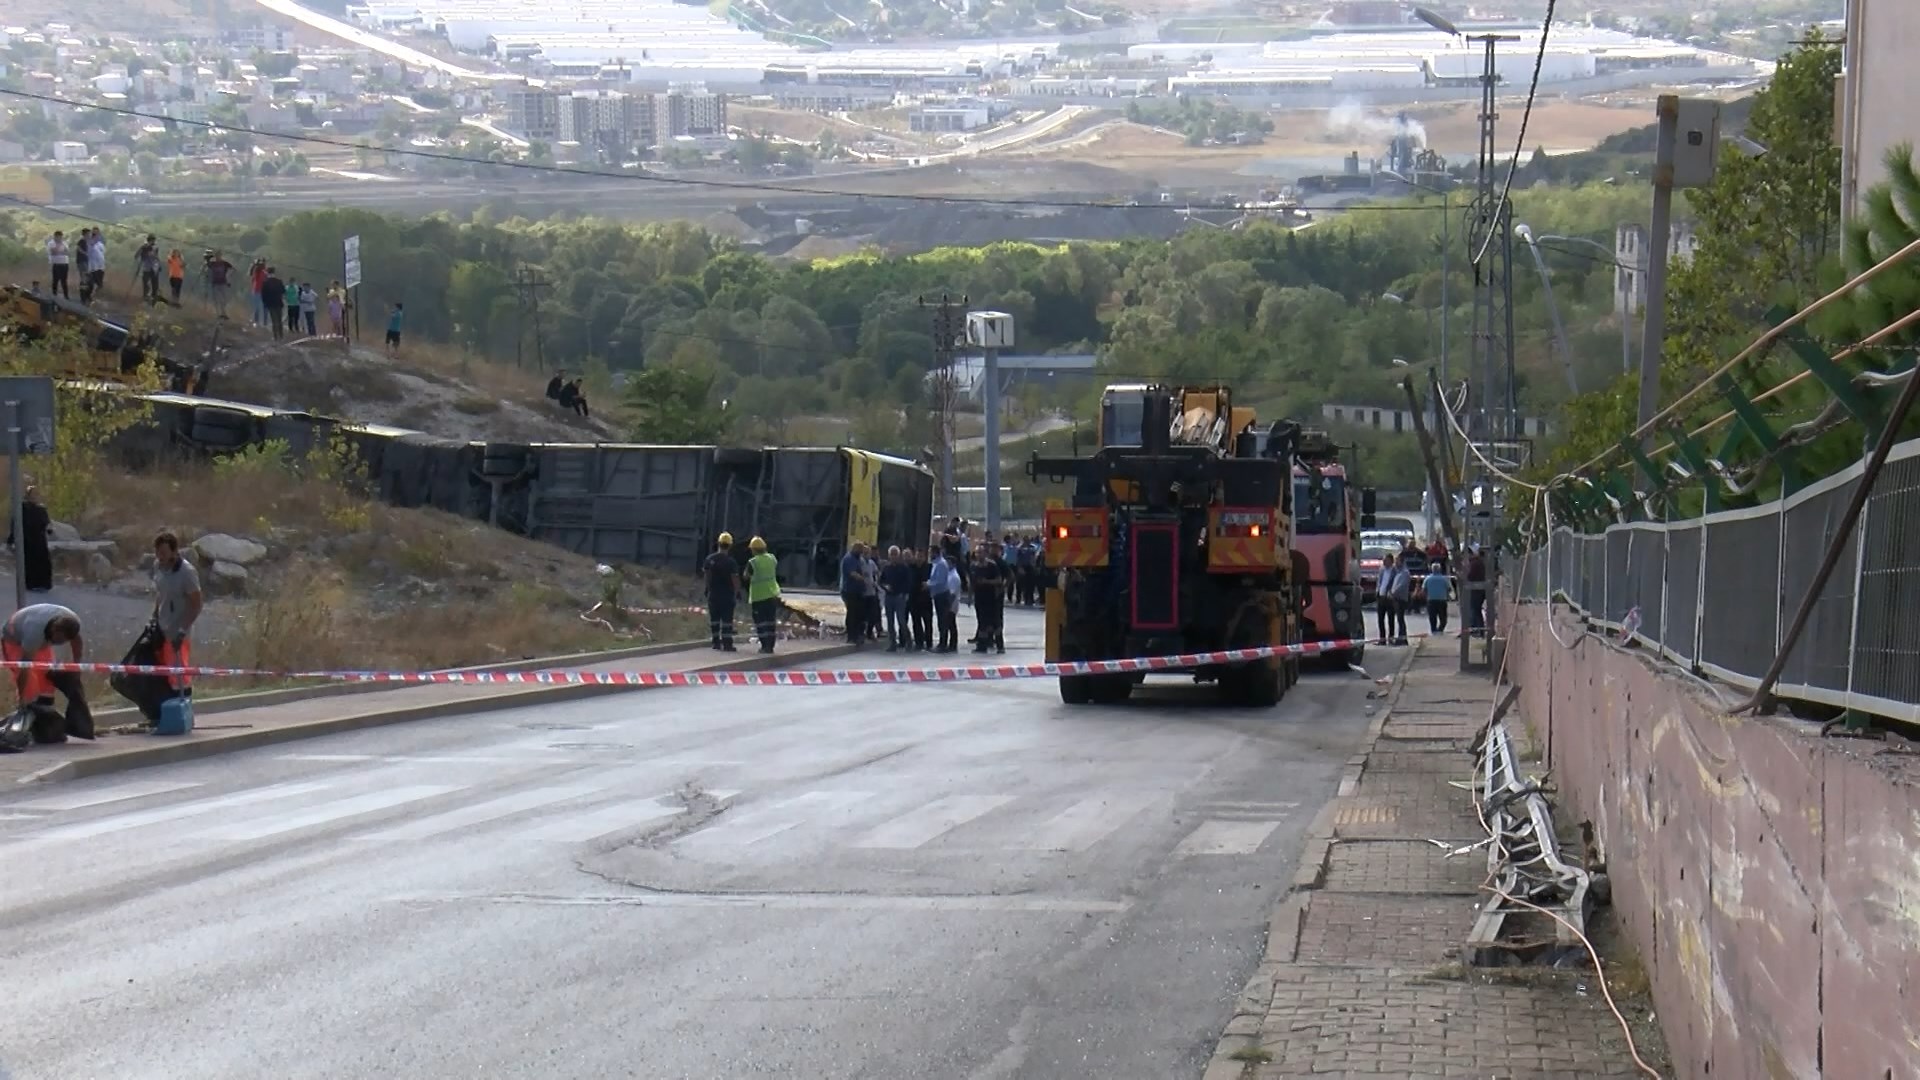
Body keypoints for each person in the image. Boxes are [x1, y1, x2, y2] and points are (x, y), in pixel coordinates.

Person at [1, 603, 91, 744]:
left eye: (63, 641)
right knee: (30, 685)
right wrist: (22, 699)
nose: (60, 643)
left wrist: (76, 666)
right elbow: (24, 668)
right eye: (58, 640)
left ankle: (45, 729)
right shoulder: (34, 633)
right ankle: (24, 722)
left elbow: (77, 642)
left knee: (46, 682)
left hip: (42, 640)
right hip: (15, 639)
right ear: (54, 630)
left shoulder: (73, 623)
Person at [152, 531, 203, 697]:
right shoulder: (158, 567)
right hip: (162, 628)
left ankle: (183, 707)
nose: (160, 557)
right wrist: (154, 617)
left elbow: (196, 604)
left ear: (174, 552)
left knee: (180, 675)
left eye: (164, 553)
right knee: (163, 674)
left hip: (178, 632)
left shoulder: (187, 572)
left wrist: (182, 631)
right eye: (158, 553)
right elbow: (160, 594)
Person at [5, 484, 53, 593]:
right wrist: (10, 541)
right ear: (28, 495)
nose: (35, 496)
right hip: (27, 542)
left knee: (43, 563)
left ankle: (44, 584)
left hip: (40, 542)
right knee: (30, 563)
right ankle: (32, 584)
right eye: (33, 494)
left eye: (37, 494)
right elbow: (15, 525)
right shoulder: (22, 509)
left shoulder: (41, 510)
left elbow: (47, 525)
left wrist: (49, 530)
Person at [741, 536, 781, 654]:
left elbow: (746, 576)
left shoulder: (752, 562)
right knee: (770, 622)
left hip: (759, 597)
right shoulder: (772, 558)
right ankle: (771, 645)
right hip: (772, 594)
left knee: (761, 622)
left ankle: (765, 646)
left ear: (754, 549)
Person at [702, 532, 740, 651]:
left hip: (713, 594)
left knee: (714, 620)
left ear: (718, 543)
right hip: (727, 595)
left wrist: (707, 589)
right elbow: (734, 579)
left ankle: (715, 643)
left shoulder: (710, 559)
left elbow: (707, 576)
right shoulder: (731, 562)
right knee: (727, 621)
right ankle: (727, 644)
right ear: (729, 546)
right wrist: (737, 592)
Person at [970, 545, 1006, 654]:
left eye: (980, 553)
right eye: (977, 553)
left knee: (995, 623)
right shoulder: (973, 566)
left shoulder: (992, 565)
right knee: (982, 622)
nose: (978, 555)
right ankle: (982, 645)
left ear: (985, 553)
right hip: (979, 598)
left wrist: (986, 581)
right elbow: (972, 582)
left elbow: (999, 580)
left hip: (991, 598)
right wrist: (970, 595)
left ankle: (1000, 645)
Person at [881, 545, 914, 652]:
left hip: (899, 597)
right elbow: (881, 581)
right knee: (890, 622)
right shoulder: (886, 567)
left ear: (898, 555)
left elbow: (908, 582)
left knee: (901, 621)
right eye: (892, 554)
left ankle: (908, 640)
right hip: (889, 597)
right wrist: (885, 586)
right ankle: (892, 643)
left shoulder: (904, 568)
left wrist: (904, 594)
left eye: (895, 554)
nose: (894, 556)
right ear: (889, 555)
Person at [839, 541, 868, 647]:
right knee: (852, 613)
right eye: (860, 549)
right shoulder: (849, 559)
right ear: (855, 548)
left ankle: (858, 635)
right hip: (850, 590)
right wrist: (863, 579)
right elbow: (852, 573)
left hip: (858, 591)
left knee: (859, 615)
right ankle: (851, 636)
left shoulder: (859, 559)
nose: (861, 551)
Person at [929, 547, 957, 653]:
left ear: (935, 553)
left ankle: (943, 644)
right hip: (938, 595)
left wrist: (928, 585)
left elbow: (939, 581)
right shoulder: (936, 563)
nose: (930, 554)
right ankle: (942, 643)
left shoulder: (941, 564)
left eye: (931, 552)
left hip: (942, 595)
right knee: (941, 620)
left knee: (943, 621)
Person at [1383, 550, 1412, 645]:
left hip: (1400, 598)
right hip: (1396, 598)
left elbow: (1401, 586)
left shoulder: (1405, 573)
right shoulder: (1398, 572)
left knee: (1400, 619)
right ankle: (1400, 637)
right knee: (1399, 619)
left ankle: (1402, 638)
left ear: (1402, 561)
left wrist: (1393, 593)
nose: (1396, 563)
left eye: (1397, 561)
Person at [909, 547, 934, 652]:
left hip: (925, 599)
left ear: (924, 557)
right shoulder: (911, 567)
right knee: (916, 621)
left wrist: (928, 585)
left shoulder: (929, 567)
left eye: (921, 556)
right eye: (917, 556)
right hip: (913, 598)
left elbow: (933, 580)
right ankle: (919, 642)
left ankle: (929, 642)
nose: (919, 558)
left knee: (928, 621)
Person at [1375, 553, 1399, 646]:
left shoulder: (1394, 570)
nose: (1384, 562)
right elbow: (1379, 581)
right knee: (1380, 619)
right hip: (1381, 595)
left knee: (1391, 618)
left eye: (1386, 560)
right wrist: (1377, 590)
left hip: (1389, 597)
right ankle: (1382, 638)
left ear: (1391, 561)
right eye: (1383, 560)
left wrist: (1392, 592)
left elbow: (1395, 582)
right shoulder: (1381, 570)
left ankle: (1391, 637)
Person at [1422, 562, 1452, 634]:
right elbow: (1449, 589)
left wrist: (1427, 596)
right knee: (1443, 618)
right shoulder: (1444, 579)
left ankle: (1434, 630)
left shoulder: (1428, 579)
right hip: (1442, 600)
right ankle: (1440, 629)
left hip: (1431, 601)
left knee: (1432, 618)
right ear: (1440, 569)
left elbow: (1424, 589)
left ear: (1432, 569)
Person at [206, 250, 235, 319]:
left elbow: (233, 269)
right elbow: (207, 267)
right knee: (216, 299)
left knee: (224, 300)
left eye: (219, 256)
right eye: (217, 256)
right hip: (215, 283)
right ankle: (218, 313)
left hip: (223, 283)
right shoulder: (212, 263)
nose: (218, 257)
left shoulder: (225, 263)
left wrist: (228, 278)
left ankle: (223, 313)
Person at [261, 267, 287, 341]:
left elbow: (263, 295)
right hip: (279, 302)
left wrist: (265, 303)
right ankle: (281, 336)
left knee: (274, 320)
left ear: (267, 273)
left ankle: (275, 336)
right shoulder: (279, 281)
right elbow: (283, 291)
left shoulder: (265, 283)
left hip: (270, 304)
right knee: (279, 320)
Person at [136, 234, 162, 304]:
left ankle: (153, 298)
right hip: (146, 268)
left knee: (155, 285)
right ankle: (145, 297)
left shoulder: (155, 247)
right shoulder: (144, 247)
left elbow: (156, 256)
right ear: (149, 240)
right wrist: (142, 249)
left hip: (154, 268)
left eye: (153, 240)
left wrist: (159, 265)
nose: (152, 242)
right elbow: (136, 256)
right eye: (151, 240)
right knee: (146, 283)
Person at [45, 231, 71, 299]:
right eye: (59, 237)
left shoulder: (64, 243)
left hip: (65, 263)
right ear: (55, 236)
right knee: (55, 280)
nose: (60, 238)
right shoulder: (51, 243)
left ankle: (66, 295)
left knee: (64, 280)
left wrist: (60, 251)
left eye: (61, 237)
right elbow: (54, 252)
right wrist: (61, 249)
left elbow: (67, 252)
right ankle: (54, 294)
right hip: (56, 264)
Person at [249, 258, 269, 326]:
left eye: (263, 263)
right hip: (256, 290)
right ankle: (256, 321)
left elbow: (267, 279)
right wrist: (254, 264)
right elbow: (251, 272)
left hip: (263, 292)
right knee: (257, 307)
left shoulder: (265, 272)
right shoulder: (257, 271)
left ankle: (265, 323)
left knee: (265, 307)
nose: (262, 265)